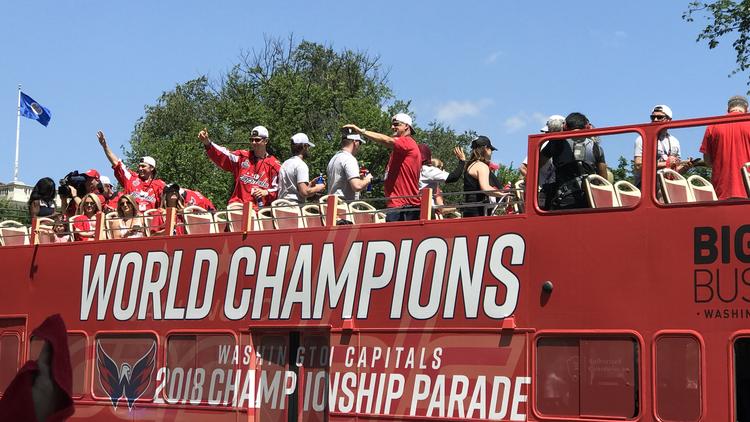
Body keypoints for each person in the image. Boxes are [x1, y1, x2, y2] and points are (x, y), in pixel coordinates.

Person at [343, 113, 421, 222]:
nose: (392, 127)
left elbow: (386, 140)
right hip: (400, 204)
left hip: (404, 205)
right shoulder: (400, 149)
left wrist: (361, 131)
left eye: (396, 124)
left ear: (406, 126)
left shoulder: (407, 142)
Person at [198, 126, 280, 209]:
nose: (254, 142)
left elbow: (279, 189)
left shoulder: (274, 165)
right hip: (238, 206)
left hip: (260, 211)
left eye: (257, 140)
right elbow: (224, 154)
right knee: (232, 210)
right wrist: (207, 143)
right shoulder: (242, 157)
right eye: (251, 140)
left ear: (266, 141)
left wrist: (266, 192)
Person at [541, 112, 608, 210]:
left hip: (563, 201)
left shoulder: (555, 143)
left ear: (565, 126)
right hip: (590, 200)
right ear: (587, 127)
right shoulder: (596, 148)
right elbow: (603, 179)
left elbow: (536, 163)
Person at [97, 131, 165, 212]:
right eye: (139, 166)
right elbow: (116, 163)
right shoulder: (131, 178)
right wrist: (105, 146)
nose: (140, 168)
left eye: (143, 166)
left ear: (152, 168)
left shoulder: (159, 185)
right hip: (131, 220)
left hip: (151, 222)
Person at [700, 95, 750, 199]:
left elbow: (707, 160)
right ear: (747, 109)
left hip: (721, 192)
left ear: (728, 109)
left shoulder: (713, 125)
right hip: (748, 191)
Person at [633, 105, 692, 187]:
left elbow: (675, 171)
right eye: (652, 117)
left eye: (659, 117)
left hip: (668, 184)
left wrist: (685, 167)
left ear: (669, 120)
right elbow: (638, 165)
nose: (655, 120)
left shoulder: (675, 141)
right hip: (647, 186)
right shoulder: (643, 138)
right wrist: (666, 164)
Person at [520, 115, 565, 210]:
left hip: (557, 190)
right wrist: (535, 183)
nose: (546, 134)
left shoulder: (565, 145)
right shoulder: (543, 145)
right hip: (544, 191)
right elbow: (523, 167)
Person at [463, 136, 506, 217]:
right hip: (479, 212)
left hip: (469, 210)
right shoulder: (481, 166)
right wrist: (503, 195)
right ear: (486, 148)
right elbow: (485, 188)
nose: (492, 152)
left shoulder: (470, 165)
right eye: (491, 149)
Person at [278, 133, 327, 204]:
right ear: (304, 146)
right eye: (308, 146)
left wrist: (310, 184)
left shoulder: (285, 163)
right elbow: (304, 192)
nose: (308, 149)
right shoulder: (301, 165)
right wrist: (319, 187)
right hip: (293, 208)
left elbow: (292, 188)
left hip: (280, 207)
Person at [418, 145, 465, 214]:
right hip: (428, 211)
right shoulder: (427, 170)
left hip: (415, 207)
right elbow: (454, 177)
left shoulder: (413, 169)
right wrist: (462, 161)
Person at [327, 132, 372, 200]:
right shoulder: (349, 159)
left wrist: (358, 178)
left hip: (332, 205)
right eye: (360, 143)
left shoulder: (334, 158)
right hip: (345, 207)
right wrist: (368, 179)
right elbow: (357, 186)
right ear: (355, 142)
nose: (359, 146)